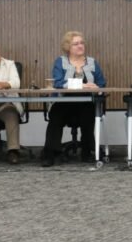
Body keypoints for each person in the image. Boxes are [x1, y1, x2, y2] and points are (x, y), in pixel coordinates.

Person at [41, 31, 106, 167]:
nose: (80, 46)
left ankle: (87, 152)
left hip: (86, 101)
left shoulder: (92, 62)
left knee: (88, 114)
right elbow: (58, 83)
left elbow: (102, 83)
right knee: (55, 117)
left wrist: (96, 87)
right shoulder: (60, 61)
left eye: (82, 43)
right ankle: (50, 154)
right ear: (68, 47)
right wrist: (82, 85)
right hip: (64, 101)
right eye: (76, 44)